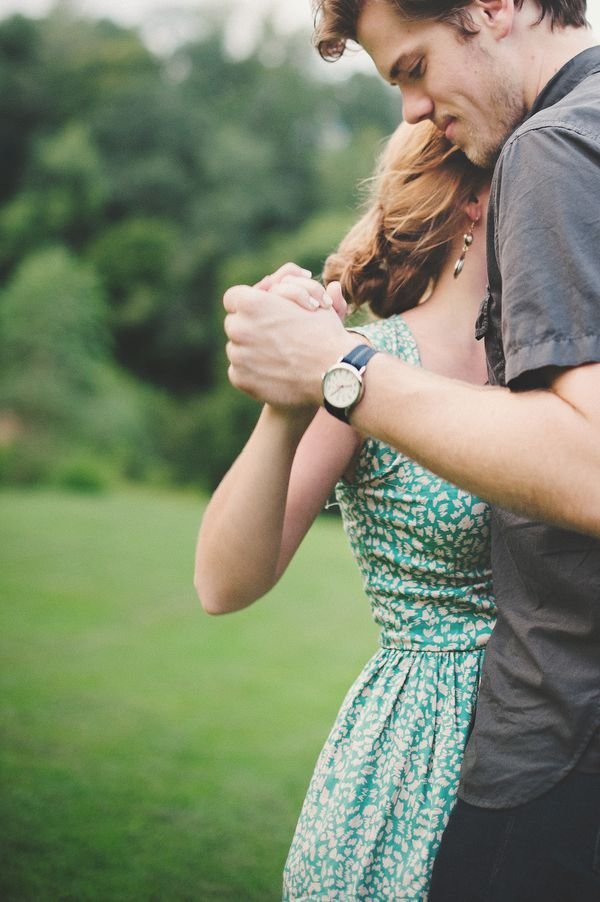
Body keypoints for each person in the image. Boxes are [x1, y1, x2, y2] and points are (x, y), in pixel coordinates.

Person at [221, 0, 600, 898]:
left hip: (556, 745)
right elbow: (225, 580)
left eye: (414, 68)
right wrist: (297, 397)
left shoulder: (547, 148)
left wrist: (335, 367)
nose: (413, 111)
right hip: (458, 736)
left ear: (490, 9)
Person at [196, 120, 495, 898]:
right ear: (478, 201)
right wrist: (288, 406)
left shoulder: (559, 371)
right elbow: (225, 584)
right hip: (421, 749)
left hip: (559, 726)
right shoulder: (368, 366)